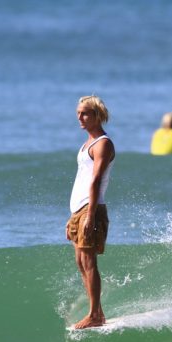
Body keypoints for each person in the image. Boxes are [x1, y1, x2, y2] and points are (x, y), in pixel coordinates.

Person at [66, 95, 115, 329]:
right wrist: (74, 216)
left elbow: (95, 181)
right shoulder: (86, 144)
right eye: (78, 113)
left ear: (97, 115)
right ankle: (97, 313)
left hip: (90, 208)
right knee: (80, 261)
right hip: (79, 209)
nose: (80, 117)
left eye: (84, 113)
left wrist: (90, 214)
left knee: (88, 262)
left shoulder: (103, 144)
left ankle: (95, 314)